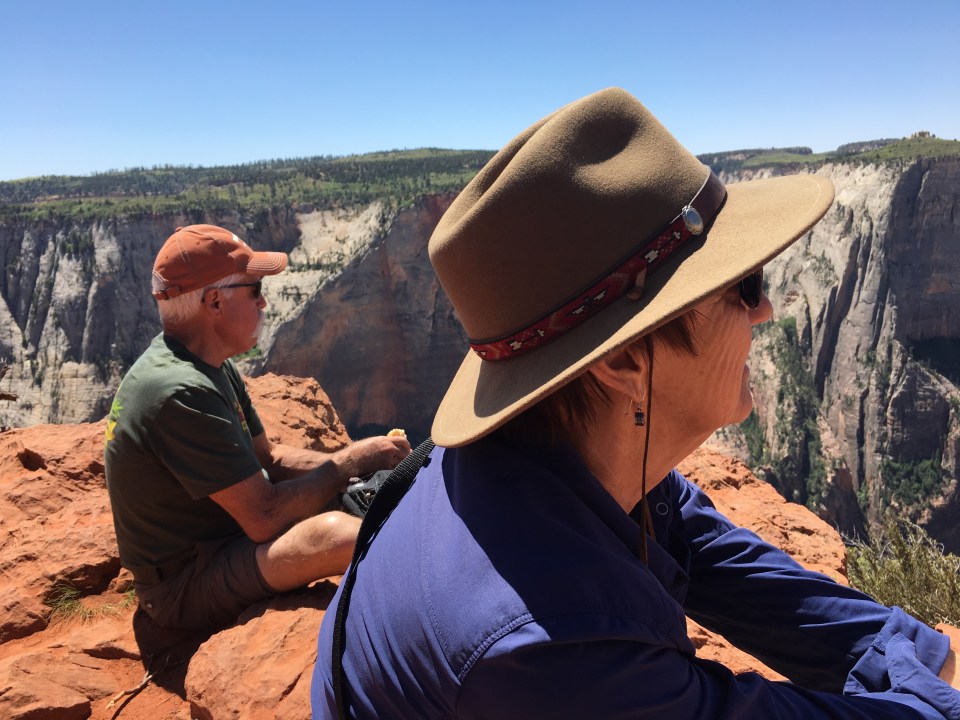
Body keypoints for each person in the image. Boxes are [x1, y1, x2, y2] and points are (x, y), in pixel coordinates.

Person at [311, 89, 960, 719]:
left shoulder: (556, 449)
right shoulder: (547, 641)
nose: (766, 310)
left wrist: (912, 652)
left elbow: (701, 545)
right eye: (743, 285)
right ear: (622, 361)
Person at [104, 224, 411, 631]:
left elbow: (269, 457)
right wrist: (346, 464)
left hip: (224, 540)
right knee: (335, 535)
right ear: (214, 302)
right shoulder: (179, 391)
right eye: (254, 291)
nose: (264, 303)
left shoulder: (208, 363)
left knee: (379, 487)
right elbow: (264, 517)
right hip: (184, 587)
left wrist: (357, 467)